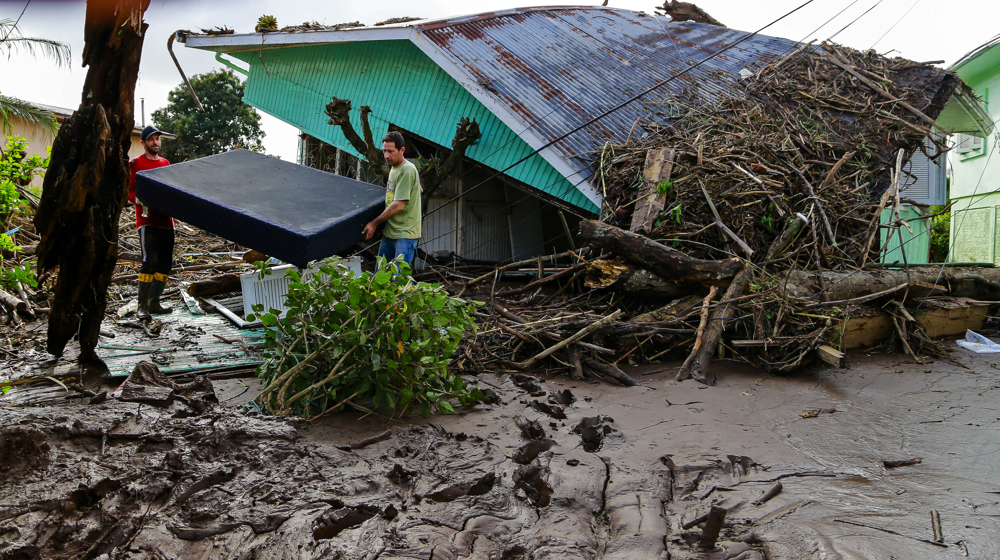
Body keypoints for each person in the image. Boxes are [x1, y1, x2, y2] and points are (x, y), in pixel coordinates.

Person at [129, 125, 174, 321]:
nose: (155, 142)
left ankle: (155, 302)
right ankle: (142, 307)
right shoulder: (136, 163)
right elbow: (130, 190)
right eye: (151, 139)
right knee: (149, 262)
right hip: (147, 221)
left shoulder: (166, 163)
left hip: (167, 221)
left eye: (158, 139)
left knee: (164, 264)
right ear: (143, 143)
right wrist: (139, 199)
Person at [362, 131, 422, 270]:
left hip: (405, 234)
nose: (387, 155)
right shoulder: (395, 168)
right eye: (384, 151)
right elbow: (419, 189)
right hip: (390, 231)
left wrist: (374, 223)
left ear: (402, 150)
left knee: (398, 279)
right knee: (380, 276)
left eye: (390, 151)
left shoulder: (406, 169)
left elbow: (398, 206)